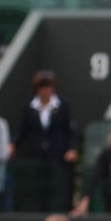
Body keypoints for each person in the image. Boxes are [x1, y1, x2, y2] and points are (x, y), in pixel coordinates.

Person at [14, 70, 78, 212]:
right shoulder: (28, 107)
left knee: (57, 191)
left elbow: (71, 131)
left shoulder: (64, 106)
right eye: (42, 87)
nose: (46, 91)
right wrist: (12, 145)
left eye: (48, 87)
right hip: (36, 158)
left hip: (57, 158)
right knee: (36, 191)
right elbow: (21, 131)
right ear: (37, 89)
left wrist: (72, 149)